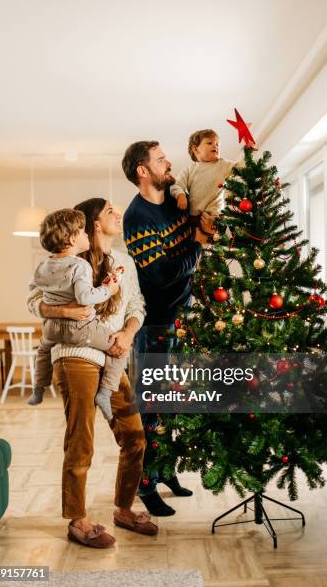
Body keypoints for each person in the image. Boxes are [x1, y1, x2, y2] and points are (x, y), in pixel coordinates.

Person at [27, 198, 157, 548]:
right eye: (111, 211)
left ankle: (123, 509)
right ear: (94, 223)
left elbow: (136, 306)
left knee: (134, 436)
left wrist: (128, 334)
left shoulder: (124, 262)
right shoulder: (69, 259)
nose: (119, 214)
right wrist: (66, 312)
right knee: (81, 439)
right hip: (76, 356)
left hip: (113, 355)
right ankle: (78, 520)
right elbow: (32, 301)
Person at [122, 140, 210, 516]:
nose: (168, 162)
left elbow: (193, 227)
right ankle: (145, 486)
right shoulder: (137, 217)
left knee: (175, 404)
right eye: (160, 159)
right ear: (143, 172)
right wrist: (199, 244)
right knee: (154, 408)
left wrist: (199, 225)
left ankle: (166, 470)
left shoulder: (176, 201)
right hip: (156, 324)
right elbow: (160, 276)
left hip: (183, 318)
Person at [27, 207, 125, 423]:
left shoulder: (43, 264)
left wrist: (56, 300)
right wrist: (109, 290)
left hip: (51, 328)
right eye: (82, 231)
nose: (87, 234)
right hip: (80, 330)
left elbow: (32, 287)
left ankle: (38, 388)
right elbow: (84, 297)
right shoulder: (80, 265)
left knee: (43, 350)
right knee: (119, 349)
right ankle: (106, 393)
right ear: (71, 239)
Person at [170, 129, 237, 228]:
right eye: (209, 143)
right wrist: (180, 194)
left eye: (217, 144)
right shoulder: (190, 169)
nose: (215, 146)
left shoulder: (223, 164)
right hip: (194, 217)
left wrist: (248, 152)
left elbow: (240, 167)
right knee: (196, 241)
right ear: (195, 149)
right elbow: (176, 185)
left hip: (216, 215)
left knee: (216, 239)